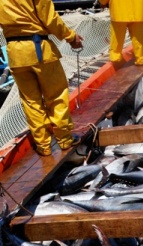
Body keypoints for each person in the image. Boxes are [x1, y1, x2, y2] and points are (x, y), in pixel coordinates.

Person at [0, 0, 83, 157]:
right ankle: (65, 139)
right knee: (56, 95)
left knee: (31, 101)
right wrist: (70, 36)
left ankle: (43, 145)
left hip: (15, 53)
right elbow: (49, 17)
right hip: (39, 49)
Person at [99, 0, 143, 66]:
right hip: (137, 11)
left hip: (118, 11)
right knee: (138, 38)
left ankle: (115, 58)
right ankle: (140, 59)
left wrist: (102, 2)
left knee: (117, 38)